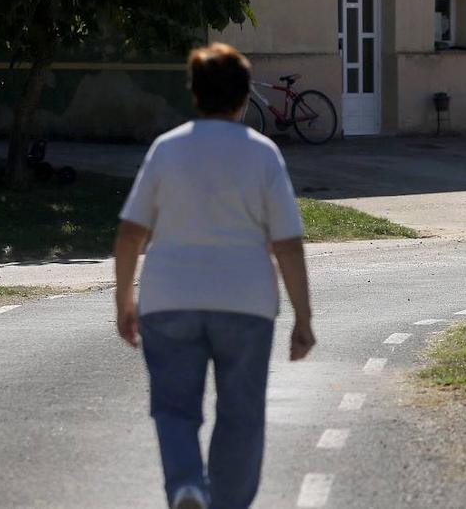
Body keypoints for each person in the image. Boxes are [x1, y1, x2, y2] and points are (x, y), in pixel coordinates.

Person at [113, 42, 316, 509]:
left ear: (195, 94)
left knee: (174, 409)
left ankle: (186, 485)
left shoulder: (167, 149)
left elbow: (130, 233)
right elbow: (286, 243)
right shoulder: (263, 155)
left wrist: (124, 299)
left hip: (169, 299)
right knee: (241, 415)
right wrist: (303, 319)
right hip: (245, 302)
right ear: (244, 98)